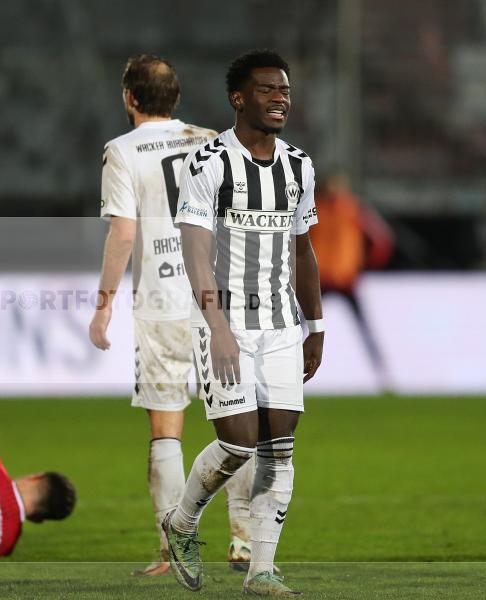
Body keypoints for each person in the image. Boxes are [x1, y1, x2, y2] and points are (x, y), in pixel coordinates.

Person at [89, 54, 259, 576]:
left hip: (162, 299)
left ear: (129, 98)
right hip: (220, 295)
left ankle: (172, 547)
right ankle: (245, 539)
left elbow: (123, 232)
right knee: (235, 420)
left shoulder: (121, 152)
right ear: (176, 98)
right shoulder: (212, 140)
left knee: (167, 429)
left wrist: (103, 304)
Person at [165, 50, 323, 596]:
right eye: (267, 89)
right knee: (238, 443)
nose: (280, 98)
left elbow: (303, 250)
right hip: (223, 320)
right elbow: (194, 250)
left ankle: (261, 569)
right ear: (239, 98)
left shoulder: (299, 165)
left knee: (280, 446)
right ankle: (181, 523)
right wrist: (219, 323)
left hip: (281, 325)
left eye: (285, 89)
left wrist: (316, 325)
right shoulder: (210, 164)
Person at [309, 170, 393, 380]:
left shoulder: (353, 209)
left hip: (345, 279)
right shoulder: (314, 208)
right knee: (299, 326)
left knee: (364, 327)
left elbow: (381, 240)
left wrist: (365, 265)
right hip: (320, 278)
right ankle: (284, 368)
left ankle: (381, 372)